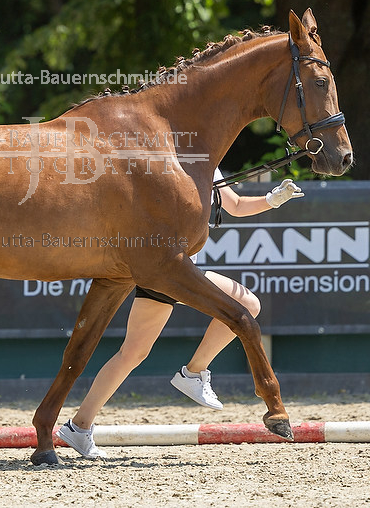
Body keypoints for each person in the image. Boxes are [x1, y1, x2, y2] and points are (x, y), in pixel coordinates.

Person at [56, 173, 305, 459]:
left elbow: (234, 206)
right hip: (173, 271)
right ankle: (194, 372)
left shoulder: (208, 164)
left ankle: (79, 426)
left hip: (161, 273)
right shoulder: (162, 160)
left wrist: (272, 199)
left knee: (132, 353)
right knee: (247, 304)